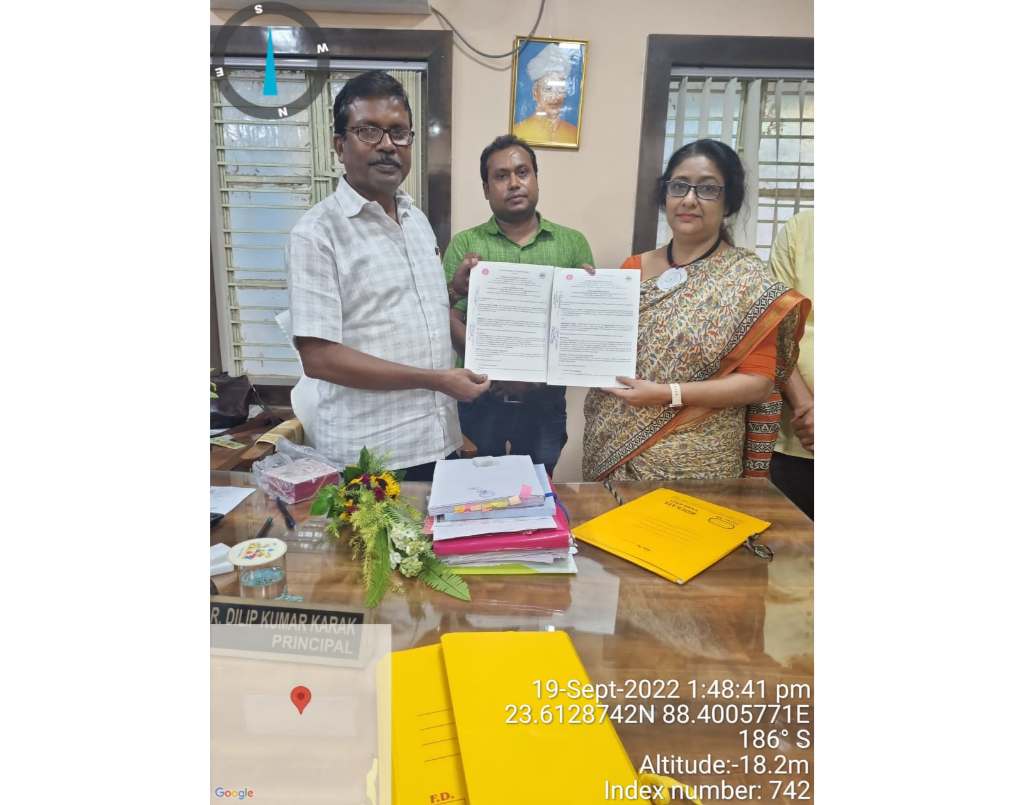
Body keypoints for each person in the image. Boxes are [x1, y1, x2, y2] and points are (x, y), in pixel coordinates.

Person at [286, 70, 490, 481]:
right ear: (340, 145)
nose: (387, 145)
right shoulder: (317, 233)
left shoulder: (417, 221)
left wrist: (452, 291)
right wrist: (435, 380)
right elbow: (319, 357)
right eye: (369, 131)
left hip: (440, 440)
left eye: (399, 133)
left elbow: (405, 310)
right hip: (372, 458)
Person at [582, 139, 810, 481]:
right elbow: (603, 353)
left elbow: (758, 384)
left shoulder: (748, 280)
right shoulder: (632, 268)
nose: (689, 199)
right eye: (679, 186)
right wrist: (581, 300)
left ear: (728, 201)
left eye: (707, 189)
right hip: (615, 448)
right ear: (665, 196)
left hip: (701, 461)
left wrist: (667, 394)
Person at [445, 135, 594, 475]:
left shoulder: (572, 244)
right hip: (480, 396)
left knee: (538, 488)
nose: (513, 183)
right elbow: (449, 318)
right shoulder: (466, 244)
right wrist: (496, 372)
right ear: (486, 189)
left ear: (536, 178)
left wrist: (591, 295)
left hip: (545, 401)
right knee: (476, 488)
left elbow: (577, 330)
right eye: (501, 176)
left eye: (522, 172)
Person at [768, 210, 814, 518]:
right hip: (801, 436)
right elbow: (775, 326)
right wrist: (805, 406)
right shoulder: (802, 227)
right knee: (794, 544)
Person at [512, 43, 579, 146]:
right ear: (535, 93)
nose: (555, 97)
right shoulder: (518, 132)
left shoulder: (573, 133)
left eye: (560, 89)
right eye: (548, 89)